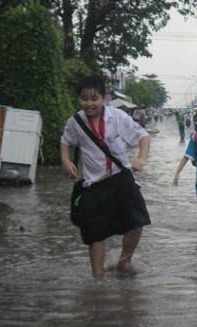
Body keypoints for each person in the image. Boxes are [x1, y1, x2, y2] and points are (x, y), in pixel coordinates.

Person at [60, 75, 151, 277]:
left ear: (104, 98)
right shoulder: (75, 122)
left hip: (122, 178)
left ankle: (124, 261)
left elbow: (143, 136)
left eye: (95, 98)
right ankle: (98, 280)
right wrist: (66, 161)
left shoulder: (118, 117)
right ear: (78, 99)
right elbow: (66, 141)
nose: (89, 103)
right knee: (95, 233)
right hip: (95, 185)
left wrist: (141, 159)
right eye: (84, 98)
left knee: (138, 221)